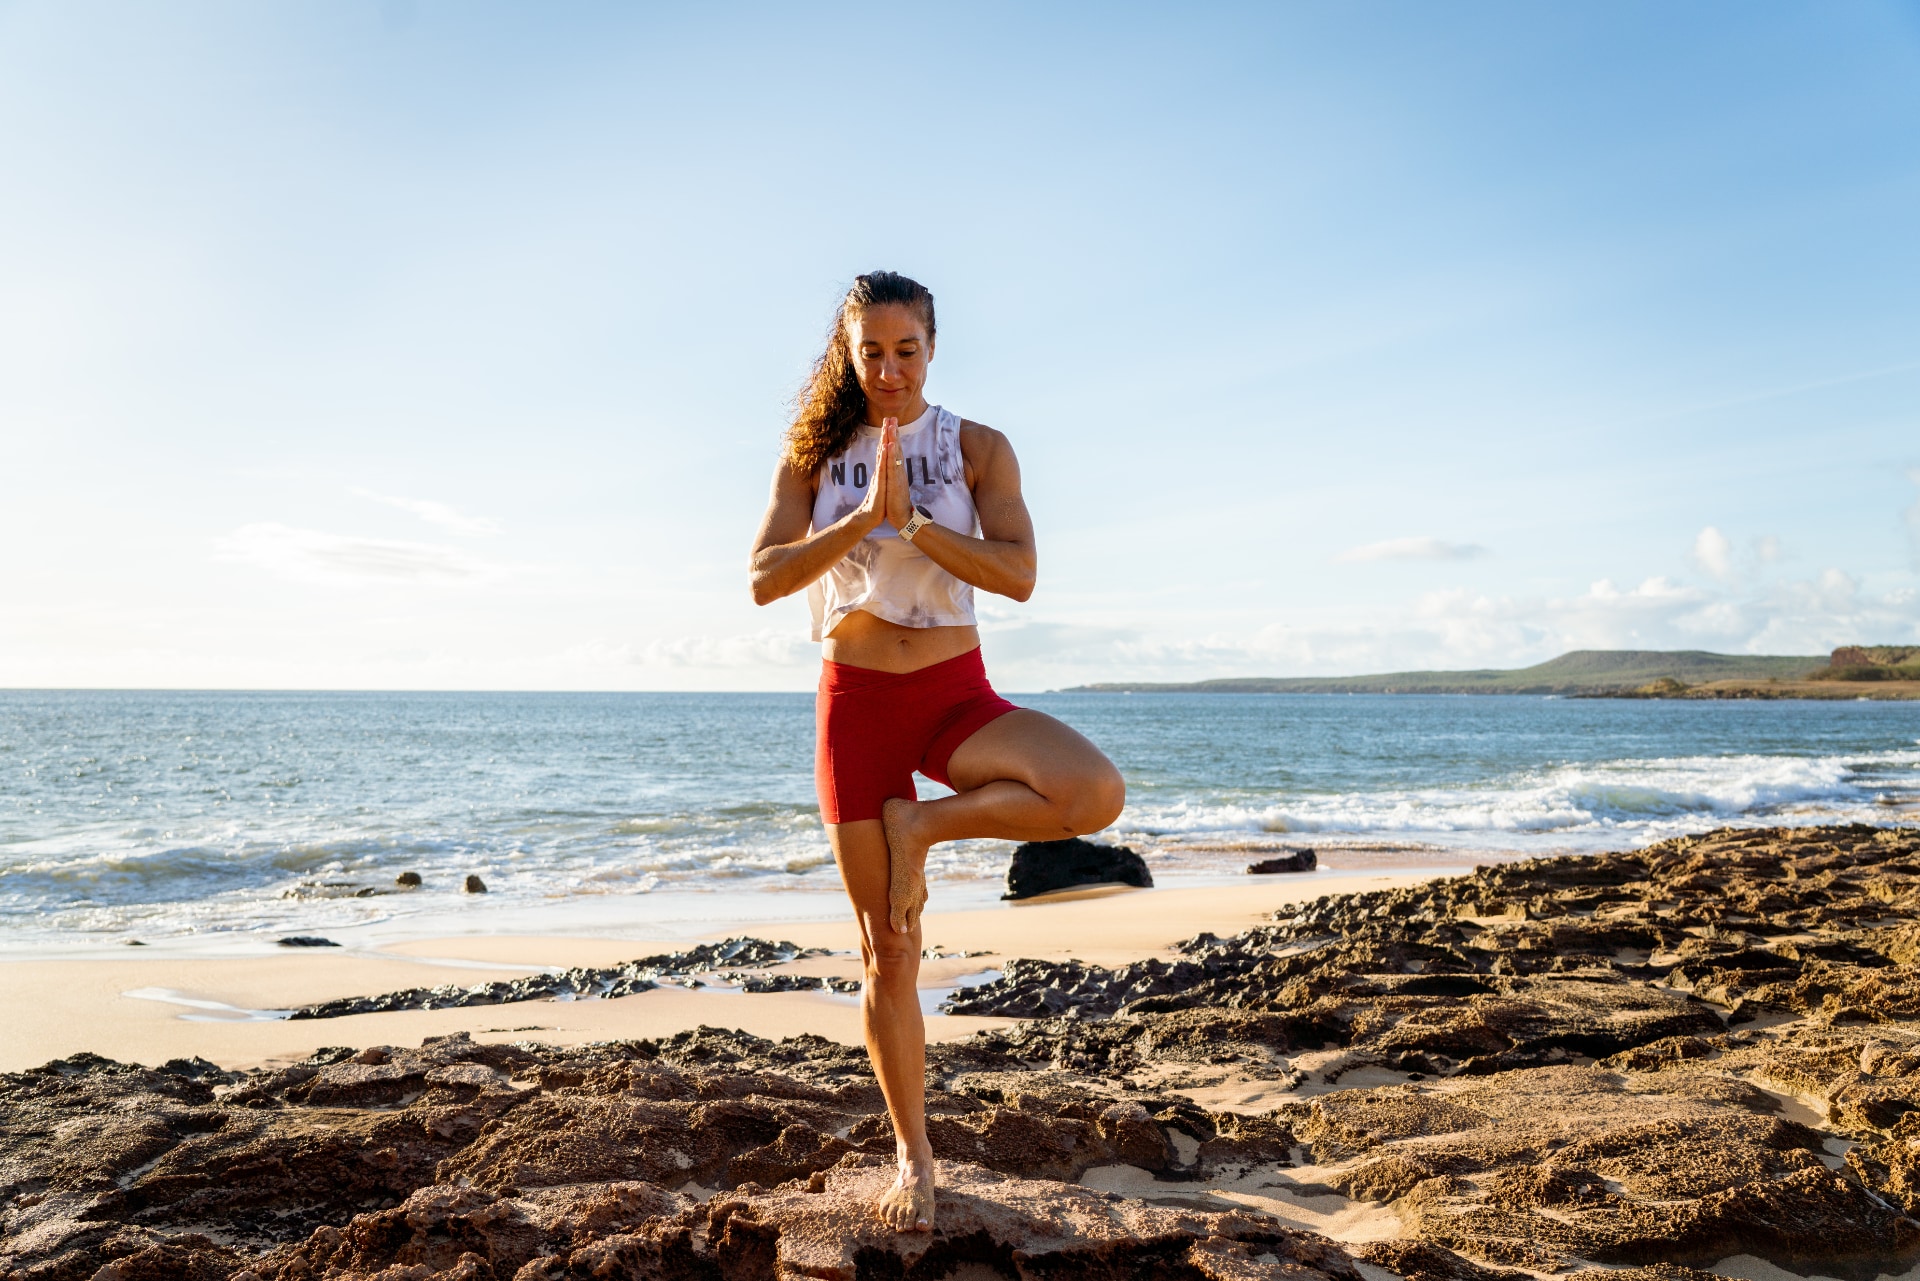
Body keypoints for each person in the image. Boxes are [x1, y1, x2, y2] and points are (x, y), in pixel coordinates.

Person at [749, 271, 1126, 1233]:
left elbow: (1021, 573)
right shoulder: (812, 454)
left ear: (931, 347)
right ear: (848, 354)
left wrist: (914, 521)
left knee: (1092, 791)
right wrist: (858, 520)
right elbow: (762, 579)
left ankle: (925, 825)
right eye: (868, 352)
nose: (887, 369)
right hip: (857, 702)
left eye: (904, 350)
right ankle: (915, 1153)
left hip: (955, 693)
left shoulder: (979, 448)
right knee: (892, 949)